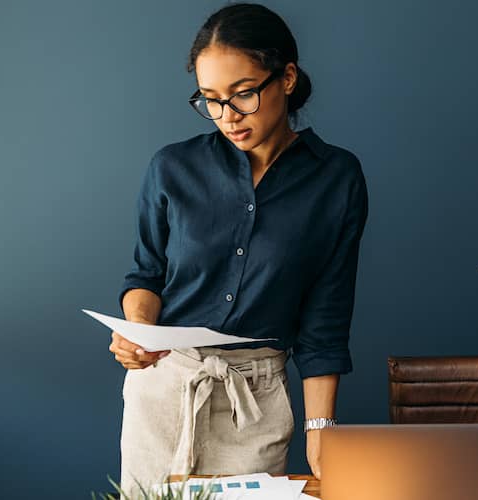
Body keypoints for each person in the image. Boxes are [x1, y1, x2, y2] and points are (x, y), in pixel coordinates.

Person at [108, 2, 368, 494]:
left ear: (286, 78)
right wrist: (137, 329)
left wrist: (321, 431)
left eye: (243, 94)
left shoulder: (337, 179)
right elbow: (145, 275)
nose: (227, 116)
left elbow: (325, 319)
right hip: (163, 392)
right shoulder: (171, 168)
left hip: (256, 400)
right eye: (210, 99)